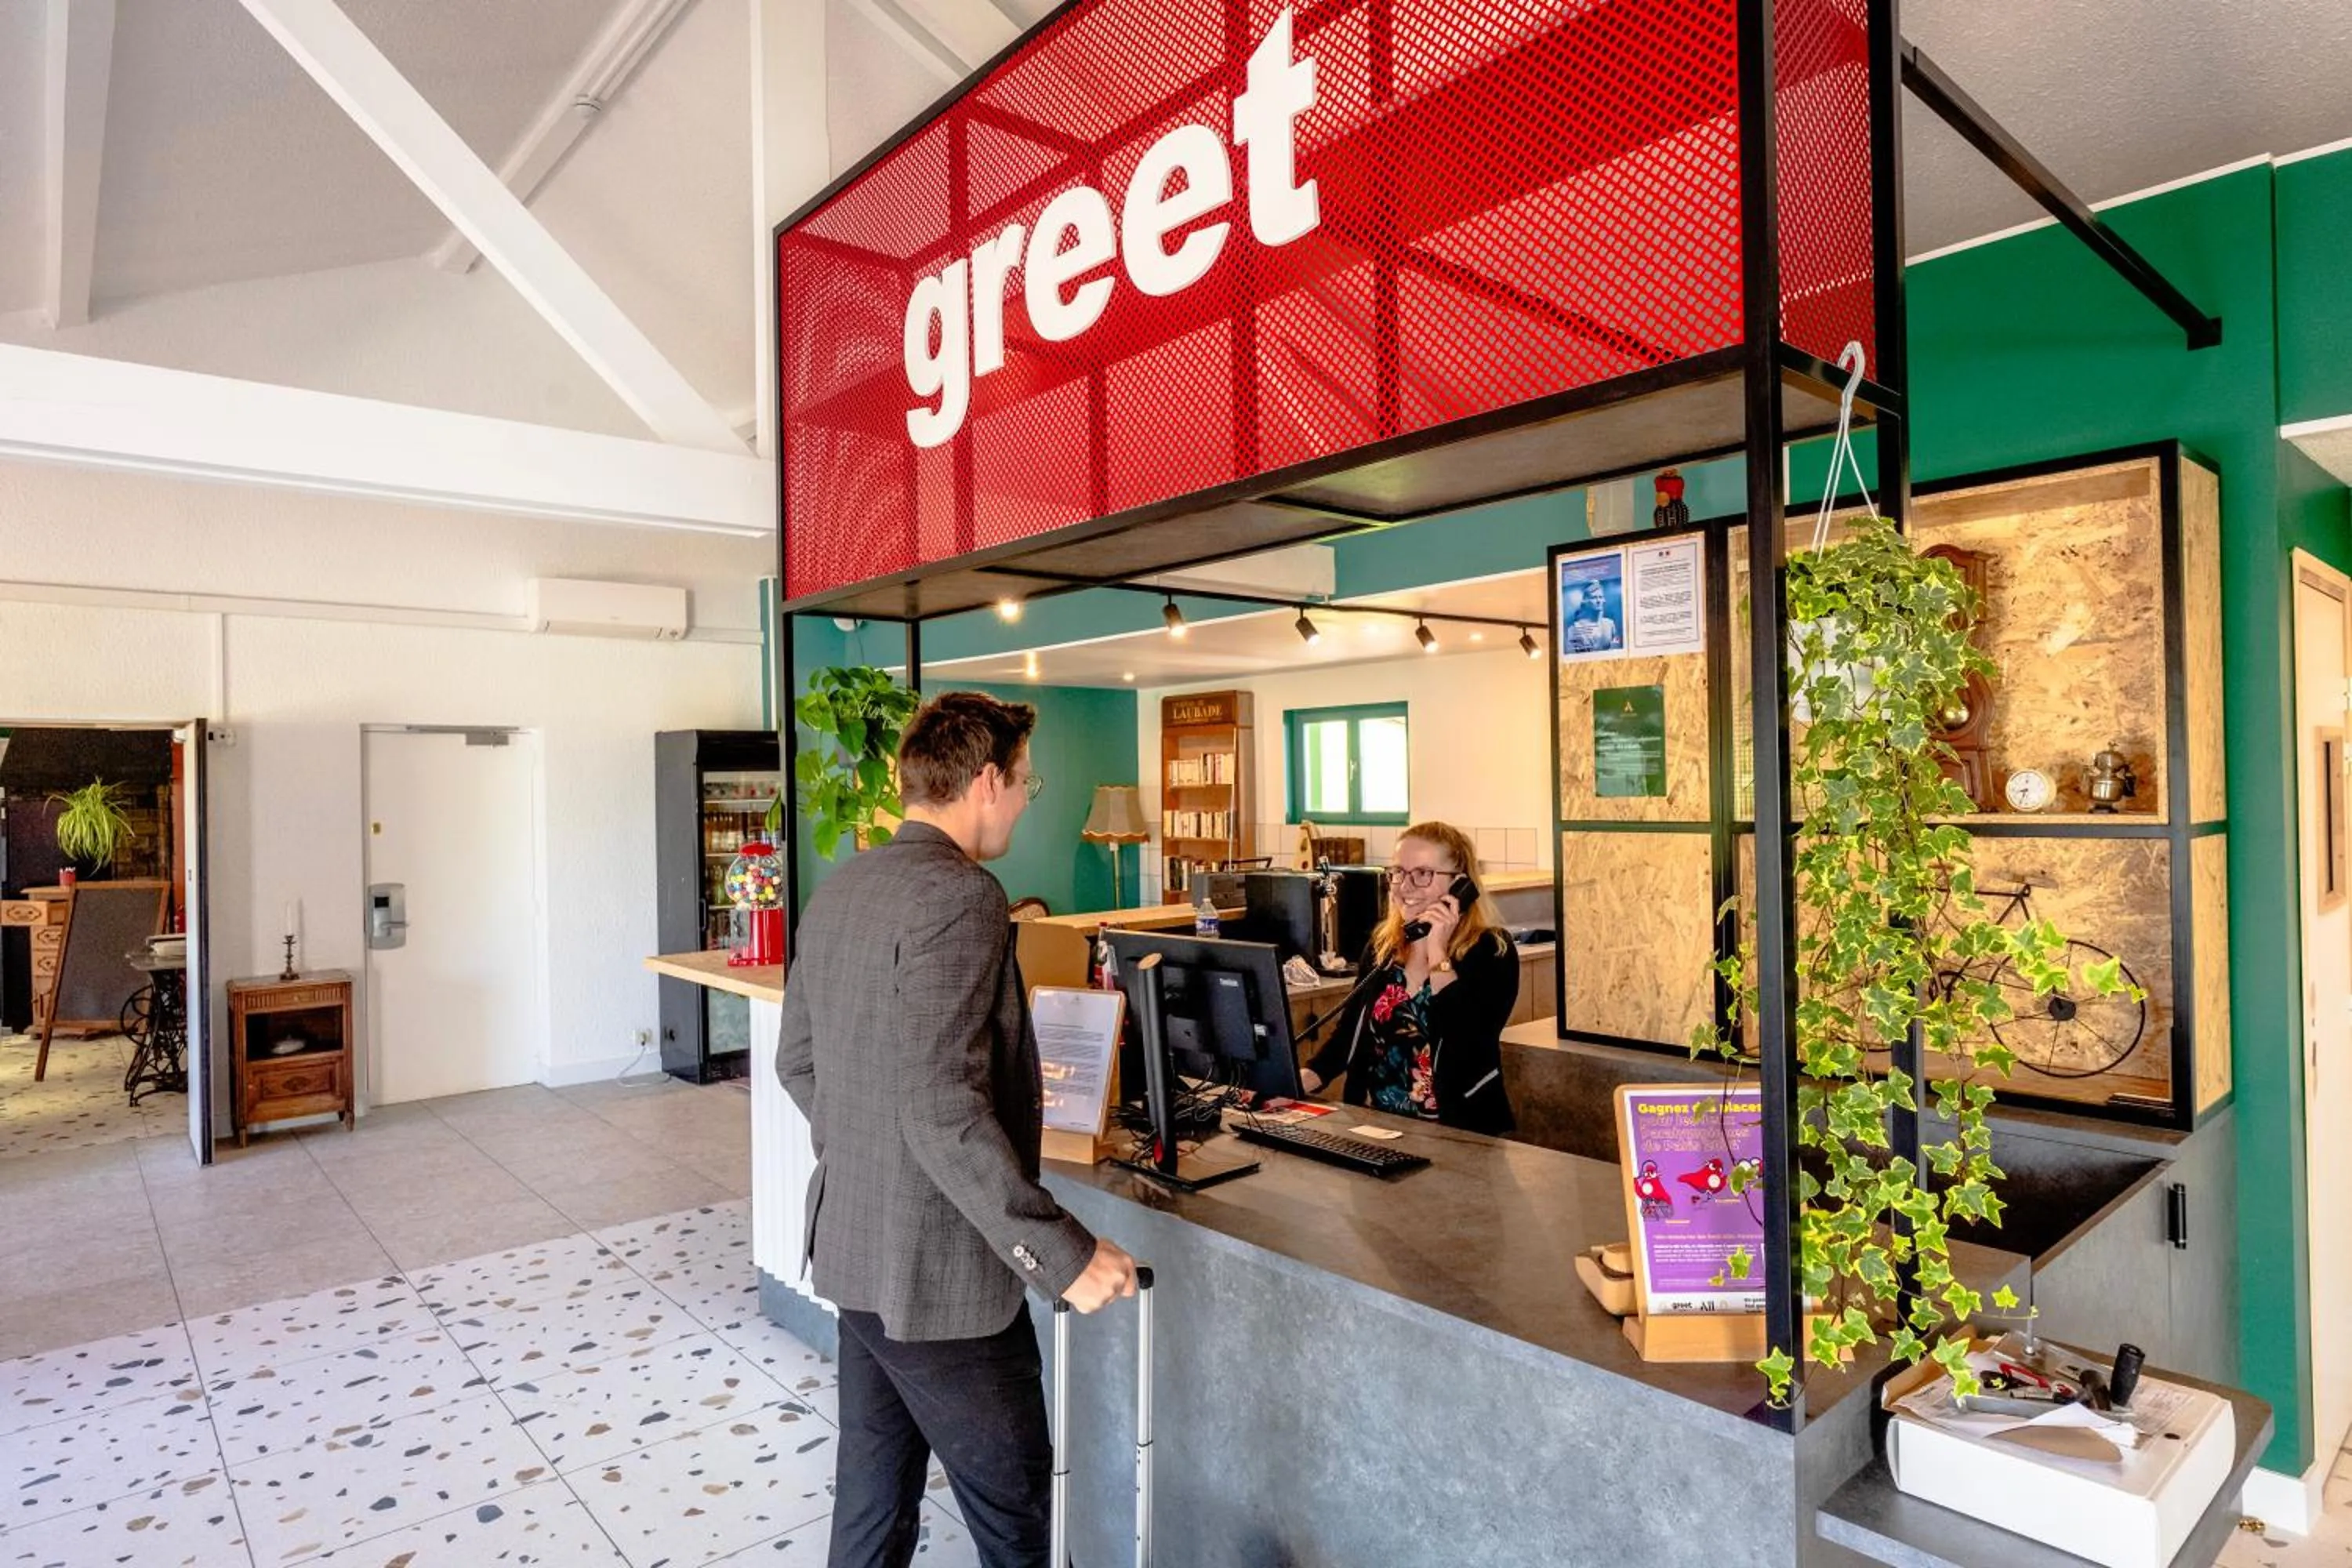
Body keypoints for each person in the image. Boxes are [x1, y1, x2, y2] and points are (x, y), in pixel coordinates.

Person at [777, 690, 1138, 1568]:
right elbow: (942, 1104)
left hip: (855, 1257)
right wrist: (1063, 1253)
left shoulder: (846, 884)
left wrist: (873, 1161)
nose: (1022, 798)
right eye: (1024, 781)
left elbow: (799, 1061)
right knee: (1017, 1523)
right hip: (939, 1286)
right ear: (986, 780)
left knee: (872, 1511)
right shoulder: (965, 896)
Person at [1298, 821, 1517, 1135]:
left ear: (1461, 885)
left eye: (1423, 874)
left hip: (1461, 1133)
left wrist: (1438, 951)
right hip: (1377, 1127)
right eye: (1398, 872)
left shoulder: (1491, 951)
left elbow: (1467, 1041)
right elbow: (1350, 1036)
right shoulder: (1384, 947)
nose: (1405, 886)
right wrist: (1295, 1082)